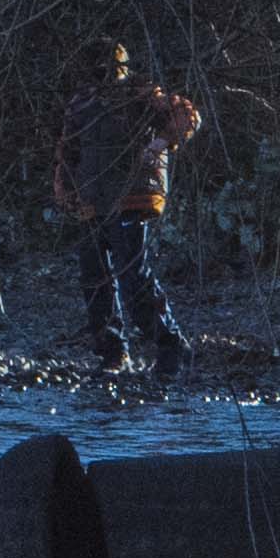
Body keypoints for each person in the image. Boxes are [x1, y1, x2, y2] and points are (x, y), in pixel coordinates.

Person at [52, 36, 207, 377]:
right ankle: (112, 353)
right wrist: (65, 189)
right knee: (94, 277)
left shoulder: (142, 95)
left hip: (131, 199)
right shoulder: (80, 103)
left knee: (132, 275)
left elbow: (187, 116)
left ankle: (169, 345)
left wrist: (161, 142)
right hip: (93, 202)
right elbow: (68, 152)